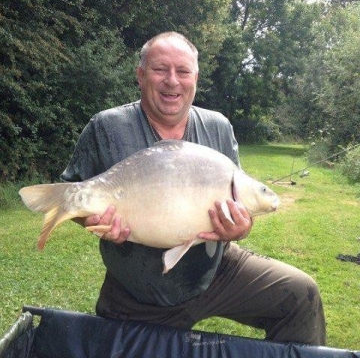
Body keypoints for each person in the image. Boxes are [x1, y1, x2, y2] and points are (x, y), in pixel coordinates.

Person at [61, 31, 326, 345]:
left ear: (195, 77)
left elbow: (239, 200)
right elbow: (73, 196)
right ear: (141, 75)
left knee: (299, 294)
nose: (172, 81)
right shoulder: (106, 126)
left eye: (183, 71)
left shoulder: (218, 126)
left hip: (215, 270)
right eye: (160, 69)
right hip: (138, 290)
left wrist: (239, 229)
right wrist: (92, 221)